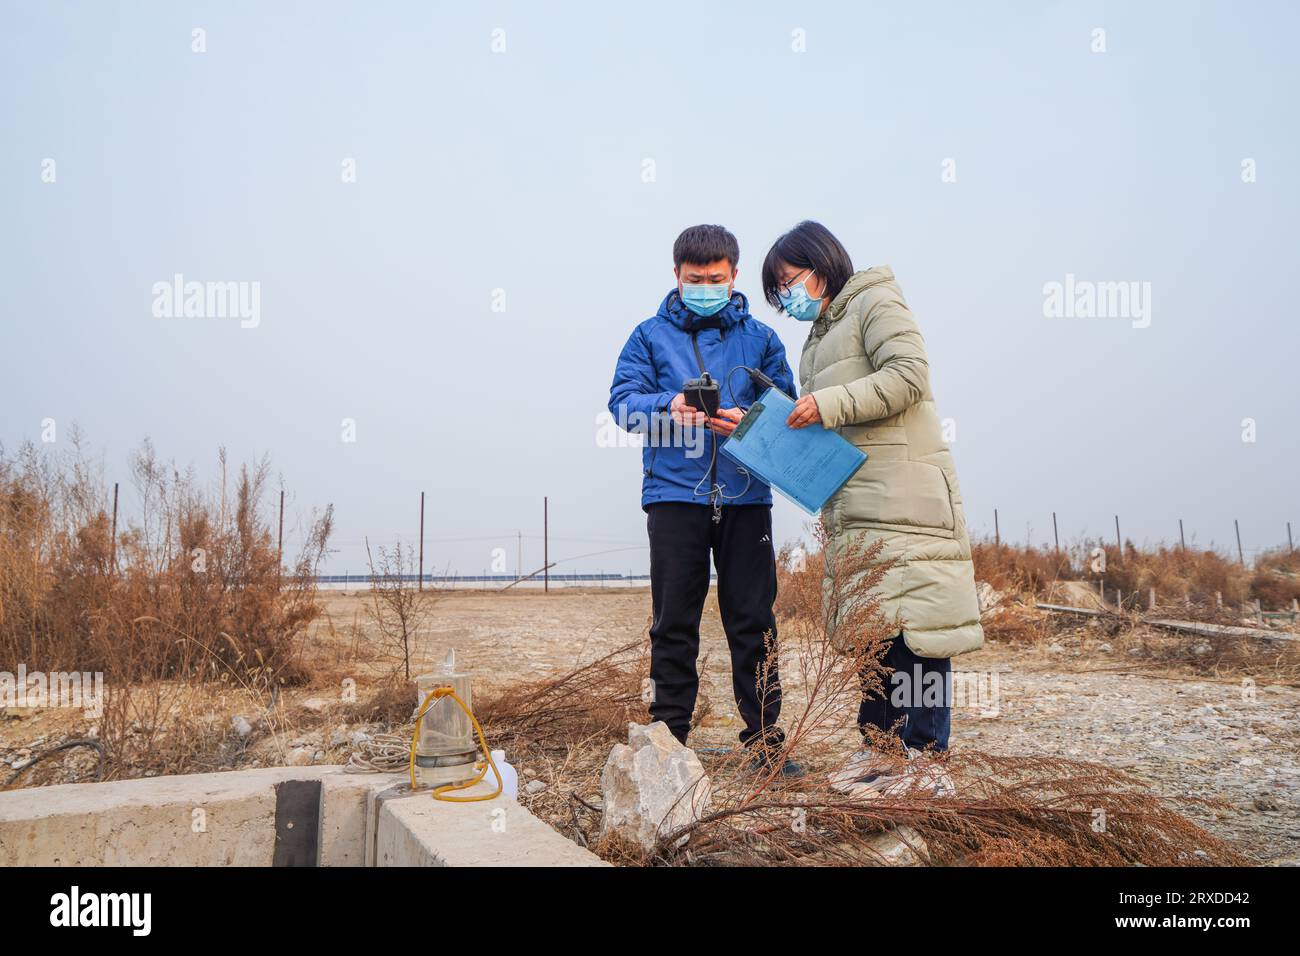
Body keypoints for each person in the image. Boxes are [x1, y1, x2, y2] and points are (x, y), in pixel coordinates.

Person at [760, 220, 984, 796]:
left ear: (823, 263)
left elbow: (909, 377)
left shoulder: (876, 301)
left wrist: (827, 403)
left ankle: (929, 760)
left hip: (905, 495)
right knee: (873, 635)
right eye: (780, 290)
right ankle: (880, 751)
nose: (788, 296)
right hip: (856, 502)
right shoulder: (817, 340)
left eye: (790, 281)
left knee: (919, 635)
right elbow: (827, 419)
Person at [608, 224, 802, 776]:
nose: (706, 286)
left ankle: (765, 742)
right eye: (695, 279)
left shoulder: (762, 338)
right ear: (676, 276)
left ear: (734, 275)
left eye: (716, 279)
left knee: (754, 619)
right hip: (673, 498)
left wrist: (751, 421)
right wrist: (668, 405)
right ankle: (668, 742)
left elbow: (789, 411)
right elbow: (622, 404)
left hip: (747, 499)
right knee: (673, 621)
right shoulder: (647, 336)